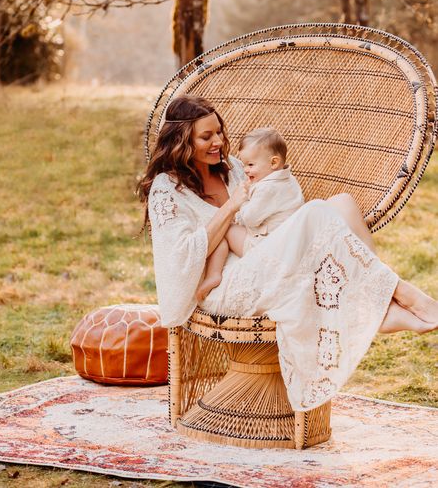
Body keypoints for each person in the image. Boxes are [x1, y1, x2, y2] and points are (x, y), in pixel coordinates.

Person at [138, 95, 438, 411]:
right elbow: (180, 259)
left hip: (261, 250)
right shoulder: (167, 189)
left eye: (219, 132)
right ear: (182, 141)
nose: (219, 142)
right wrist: (231, 207)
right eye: (206, 136)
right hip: (222, 282)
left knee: (343, 206)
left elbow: (273, 200)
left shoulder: (233, 169)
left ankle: (373, 305)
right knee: (317, 213)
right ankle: (401, 298)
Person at [196, 127, 304, 301]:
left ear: (274, 163)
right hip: (288, 242)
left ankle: (213, 275)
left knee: (226, 229)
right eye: (244, 164)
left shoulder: (267, 189)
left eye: (250, 165)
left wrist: (243, 199)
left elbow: (250, 219)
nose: (245, 170)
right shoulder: (289, 181)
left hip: (266, 248)